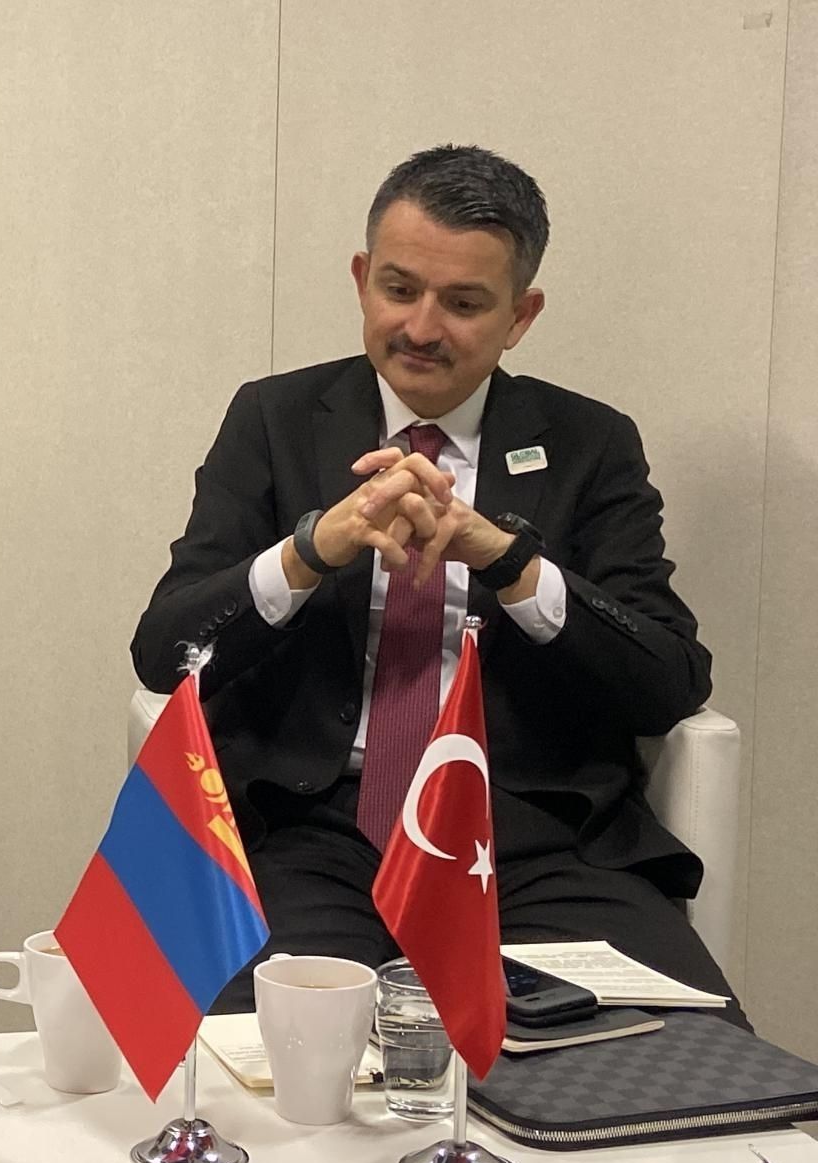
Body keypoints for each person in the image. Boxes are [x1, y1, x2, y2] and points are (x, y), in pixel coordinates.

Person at [131, 144, 747, 1027]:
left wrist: (507, 560)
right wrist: (312, 549)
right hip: (310, 831)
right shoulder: (273, 420)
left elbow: (669, 681)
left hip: (529, 839)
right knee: (266, 1061)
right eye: (399, 289)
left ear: (520, 315)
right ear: (361, 280)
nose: (421, 328)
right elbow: (167, 651)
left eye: (462, 303)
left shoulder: (589, 443)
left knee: (691, 1065)